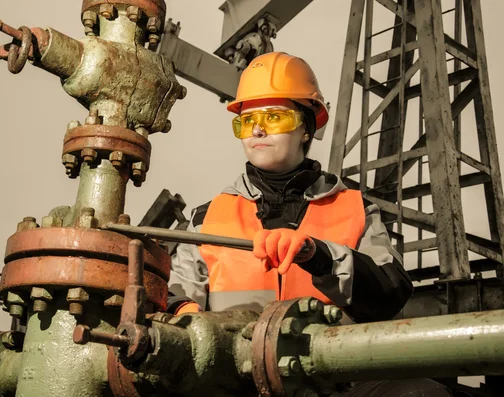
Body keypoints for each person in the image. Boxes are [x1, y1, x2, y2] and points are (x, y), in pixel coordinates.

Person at [166, 52, 451, 397]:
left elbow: (390, 294)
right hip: (237, 385)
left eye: (273, 117)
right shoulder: (205, 218)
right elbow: (176, 300)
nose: (256, 129)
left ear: (307, 127)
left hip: (336, 384)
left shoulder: (357, 209)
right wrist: (185, 317)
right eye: (247, 120)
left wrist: (322, 256)